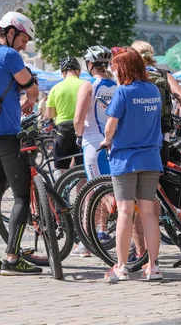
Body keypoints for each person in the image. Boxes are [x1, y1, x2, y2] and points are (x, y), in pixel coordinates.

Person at [0, 12, 42, 276]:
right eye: (24, 38)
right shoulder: (10, 56)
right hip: (6, 134)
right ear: (11, 32)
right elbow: (32, 87)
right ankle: (12, 259)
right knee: (22, 197)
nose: (24, 45)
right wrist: (30, 99)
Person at [100, 47, 163, 281]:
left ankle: (122, 266)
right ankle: (153, 266)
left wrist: (107, 141)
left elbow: (110, 126)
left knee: (125, 211)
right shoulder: (154, 90)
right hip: (151, 158)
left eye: (115, 66)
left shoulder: (122, 92)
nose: (113, 70)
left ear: (123, 67)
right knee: (148, 213)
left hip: (125, 159)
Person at [72, 46, 116, 258]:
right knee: (110, 187)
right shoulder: (116, 84)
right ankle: (103, 231)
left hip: (93, 143)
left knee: (92, 192)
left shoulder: (88, 85)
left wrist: (78, 135)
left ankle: (86, 241)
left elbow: (78, 118)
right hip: (114, 143)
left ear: (89, 64)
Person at [132, 40, 181, 163]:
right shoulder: (163, 74)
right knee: (159, 172)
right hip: (160, 132)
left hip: (135, 134)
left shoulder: (128, 76)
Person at [46, 56, 85, 175]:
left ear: (63, 73)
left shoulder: (55, 88)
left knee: (60, 169)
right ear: (78, 71)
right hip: (82, 129)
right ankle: (83, 194)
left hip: (63, 130)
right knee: (82, 171)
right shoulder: (85, 85)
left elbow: (49, 114)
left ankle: (61, 193)